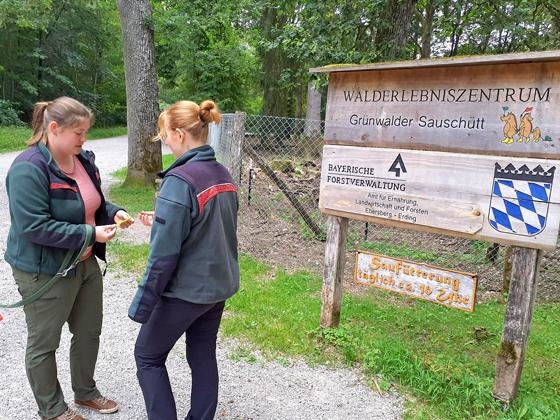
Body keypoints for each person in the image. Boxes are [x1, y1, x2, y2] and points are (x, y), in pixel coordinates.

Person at [5, 96, 133, 420]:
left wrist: (114, 212)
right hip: (44, 269)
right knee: (44, 343)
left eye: (86, 131)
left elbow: (94, 202)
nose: (84, 138)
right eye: (78, 132)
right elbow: (35, 226)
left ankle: (86, 393)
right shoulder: (28, 168)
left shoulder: (84, 160)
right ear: (53, 129)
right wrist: (91, 234)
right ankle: (53, 409)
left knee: (89, 331)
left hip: (84, 262)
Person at [129, 100, 239, 420]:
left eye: (165, 138)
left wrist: (142, 303)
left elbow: (163, 257)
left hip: (186, 291)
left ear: (179, 134)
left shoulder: (180, 180)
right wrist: (163, 217)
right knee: (202, 354)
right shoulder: (222, 173)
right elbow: (210, 226)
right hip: (218, 287)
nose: (166, 145)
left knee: (147, 356)